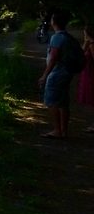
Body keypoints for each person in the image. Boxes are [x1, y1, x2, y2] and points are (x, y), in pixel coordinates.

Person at [39, 10, 77, 138]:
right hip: (67, 72)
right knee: (63, 102)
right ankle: (64, 130)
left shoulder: (56, 37)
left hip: (57, 73)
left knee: (52, 101)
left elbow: (54, 57)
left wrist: (45, 75)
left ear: (54, 22)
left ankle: (57, 130)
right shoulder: (68, 37)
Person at [79, 29, 94, 132]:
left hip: (91, 74)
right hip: (88, 73)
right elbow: (80, 54)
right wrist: (86, 42)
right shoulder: (89, 43)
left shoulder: (93, 45)